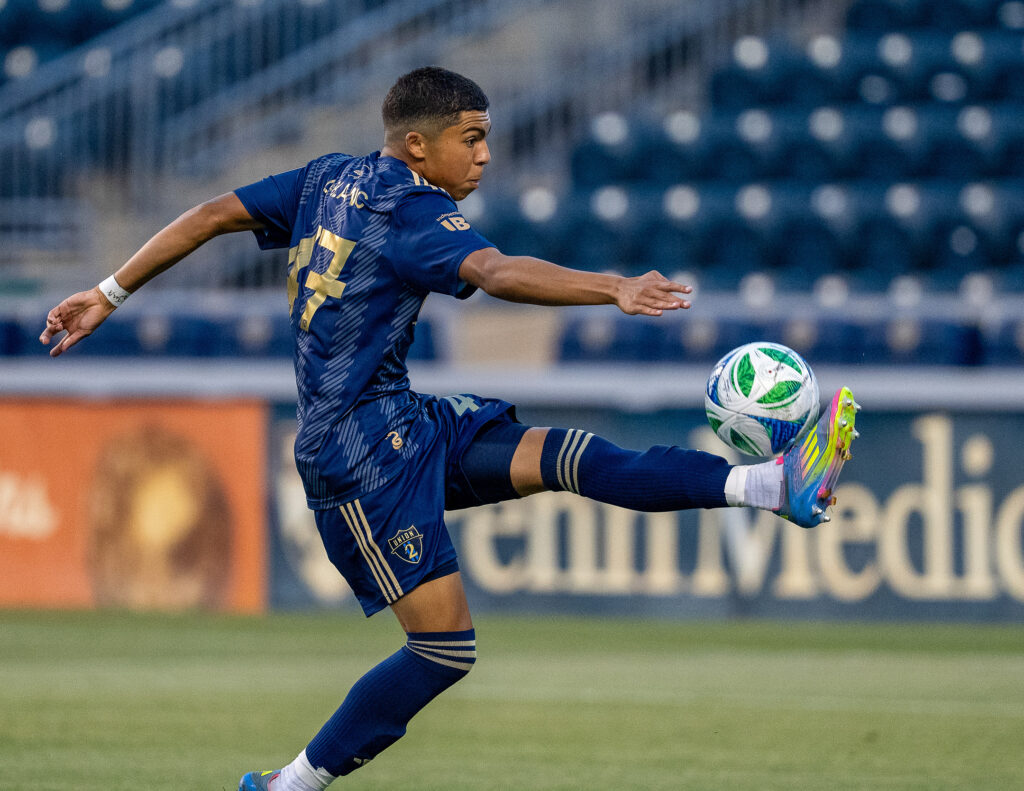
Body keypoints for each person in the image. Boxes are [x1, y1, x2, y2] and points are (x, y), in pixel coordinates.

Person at [39, 67, 858, 791]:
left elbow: (212, 213)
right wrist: (612, 287)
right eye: (472, 138)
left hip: (404, 419)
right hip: (358, 456)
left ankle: (767, 483)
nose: (486, 155)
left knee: (570, 456)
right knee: (443, 650)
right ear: (418, 145)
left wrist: (108, 293)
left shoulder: (325, 178)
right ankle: (291, 783)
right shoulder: (412, 210)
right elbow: (496, 272)